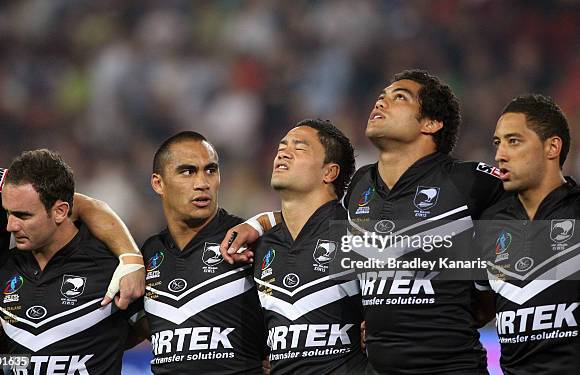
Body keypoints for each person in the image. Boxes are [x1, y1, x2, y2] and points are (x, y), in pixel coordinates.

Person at [222, 70, 503, 374]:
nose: (381, 102)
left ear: (431, 123)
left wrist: (482, 286)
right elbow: (312, 215)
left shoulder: (470, 180)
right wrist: (261, 222)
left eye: (399, 98)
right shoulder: (361, 185)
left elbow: (537, 217)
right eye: (381, 96)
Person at [0, 162, 145, 362]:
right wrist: (4, 330)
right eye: (8, 214)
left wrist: (131, 258)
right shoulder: (5, 270)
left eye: (22, 215)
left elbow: (77, 202)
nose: (9, 226)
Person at [129, 132, 266, 374]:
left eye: (211, 170)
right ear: (158, 183)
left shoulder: (245, 241)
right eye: (188, 171)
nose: (202, 183)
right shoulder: (150, 252)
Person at [474, 94, 579, 374]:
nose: (500, 154)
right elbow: (480, 310)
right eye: (497, 143)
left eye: (514, 141)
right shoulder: (489, 224)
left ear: (552, 147)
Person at [253, 119, 367, 374]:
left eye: (299, 147)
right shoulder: (260, 247)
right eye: (282, 146)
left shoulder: (355, 231)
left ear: (329, 172)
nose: (283, 152)